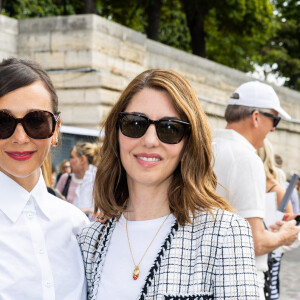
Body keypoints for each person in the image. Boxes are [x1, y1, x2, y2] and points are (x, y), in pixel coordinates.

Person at [78, 69, 259, 299]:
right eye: (135, 124)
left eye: (170, 129)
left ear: (189, 143)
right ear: (117, 132)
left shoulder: (224, 234)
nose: (150, 141)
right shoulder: (90, 240)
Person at [0, 57, 89, 299]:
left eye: (36, 121)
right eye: (2, 122)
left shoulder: (78, 227)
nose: (20, 137)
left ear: (55, 130)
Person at [212, 80, 300, 300]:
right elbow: (254, 243)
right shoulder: (246, 158)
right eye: (275, 119)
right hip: (239, 285)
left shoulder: (208, 147)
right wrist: (284, 236)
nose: (273, 128)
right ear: (256, 117)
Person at [257, 139, 296, 300]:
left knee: (269, 290)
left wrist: (285, 226)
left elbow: (289, 225)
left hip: (270, 250)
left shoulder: (277, 190)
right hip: (254, 247)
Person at [56, 142, 99, 216]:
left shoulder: (97, 181)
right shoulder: (66, 178)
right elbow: (55, 205)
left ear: (82, 159)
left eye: (72, 157)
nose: (70, 162)